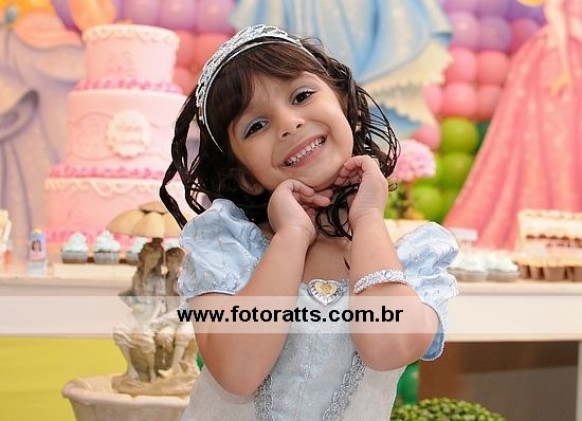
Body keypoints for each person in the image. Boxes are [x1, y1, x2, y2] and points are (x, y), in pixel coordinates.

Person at [160, 24, 458, 420]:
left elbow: (387, 347)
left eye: (302, 96)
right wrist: (291, 237)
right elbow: (237, 371)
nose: (289, 123)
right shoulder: (227, 246)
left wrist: (368, 219)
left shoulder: (412, 256)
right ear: (245, 176)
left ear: (347, 109)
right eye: (256, 126)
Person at [444, 0, 582, 250]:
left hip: (569, 55)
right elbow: (554, 11)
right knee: (550, 138)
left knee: (566, 139)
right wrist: (564, 67)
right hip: (560, 57)